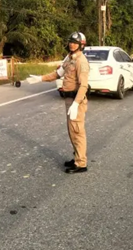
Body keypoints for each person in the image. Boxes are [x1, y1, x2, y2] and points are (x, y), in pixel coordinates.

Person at [28, 32, 90, 174]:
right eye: (70, 42)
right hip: (69, 99)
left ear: (81, 45)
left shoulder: (81, 61)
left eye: (75, 42)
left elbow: (83, 86)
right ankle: (77, 157)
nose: (71, 44)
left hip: (76, 101)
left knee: (77, 131)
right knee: (72, 131)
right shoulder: (69, 58)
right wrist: (40, 78)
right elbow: (58, 74)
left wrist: (76, 104)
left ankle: (81, 163)